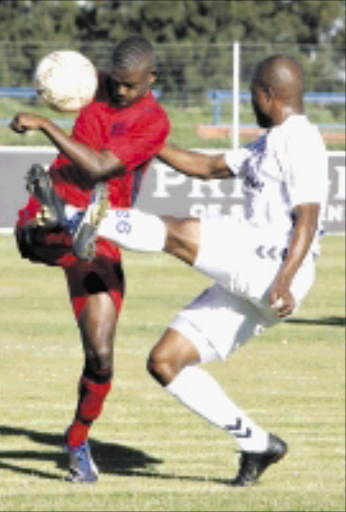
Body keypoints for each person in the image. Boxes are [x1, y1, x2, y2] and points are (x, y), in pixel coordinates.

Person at [73, 55, 329, 486]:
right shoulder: (269, 143)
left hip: (273, 267)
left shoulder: (299, 140)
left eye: (251, 94)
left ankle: (92, 218)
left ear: (267, 96)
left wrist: (284, 279)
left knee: (180, 232)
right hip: (260, 275)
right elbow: (208, 168)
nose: (249, 101)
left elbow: (308, 215)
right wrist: (147, 145)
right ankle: (258, 444)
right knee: (166, 361)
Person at [9, 35, 170, 483]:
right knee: (35, 232)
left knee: (101, 357)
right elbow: (65, 82)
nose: (118, 93)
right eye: (114, 84)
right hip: (62, 200)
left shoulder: (154, 122)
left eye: (129, 87)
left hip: (103, 229)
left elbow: (100, 167)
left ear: (151, 79)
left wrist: (44, 124)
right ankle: (47, 223)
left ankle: (77, 440)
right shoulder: (89, 83)